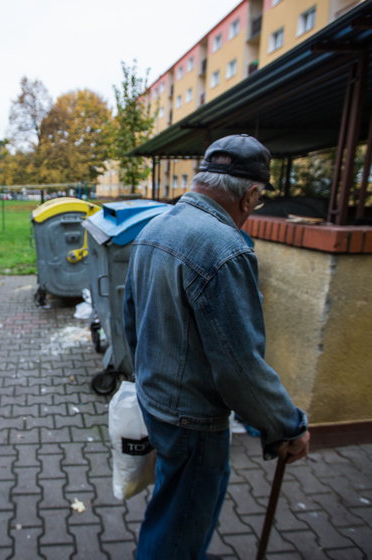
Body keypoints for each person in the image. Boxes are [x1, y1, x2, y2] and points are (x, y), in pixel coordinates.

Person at [123, 134, 310, 559]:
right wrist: (287, 425)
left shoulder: (155, 226)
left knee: (171, 505)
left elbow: (130, 319)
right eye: (258, 202)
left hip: (156, 401)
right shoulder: (224, 248)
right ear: (251, 195)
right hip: (193, 419)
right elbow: (240, 366)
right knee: (183, 525)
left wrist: (145, 379)